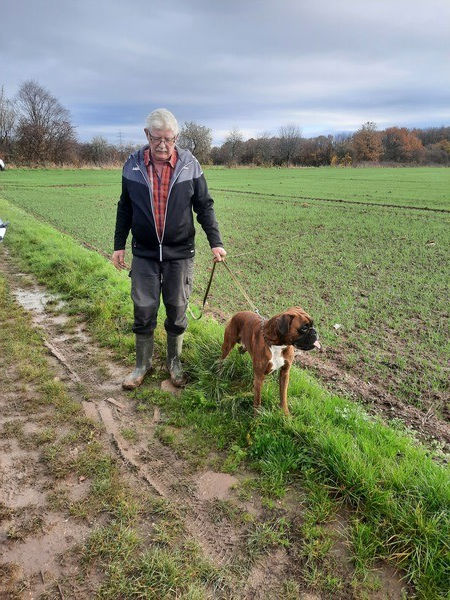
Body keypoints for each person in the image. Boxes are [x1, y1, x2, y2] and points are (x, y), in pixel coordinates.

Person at [112, 108, 226, 390]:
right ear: (146, 135)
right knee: (143, 309)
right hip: (145, 253)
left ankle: (174, 363)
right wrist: (119, 246)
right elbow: (125, 207)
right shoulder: (132, 165)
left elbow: (204, 206)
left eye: (169, 139)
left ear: (176, 137)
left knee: (177, 309)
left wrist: (216, 242)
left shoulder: (190, 165)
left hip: (180, 254)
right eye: (156, 138)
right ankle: (142, 365)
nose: (162, 145)